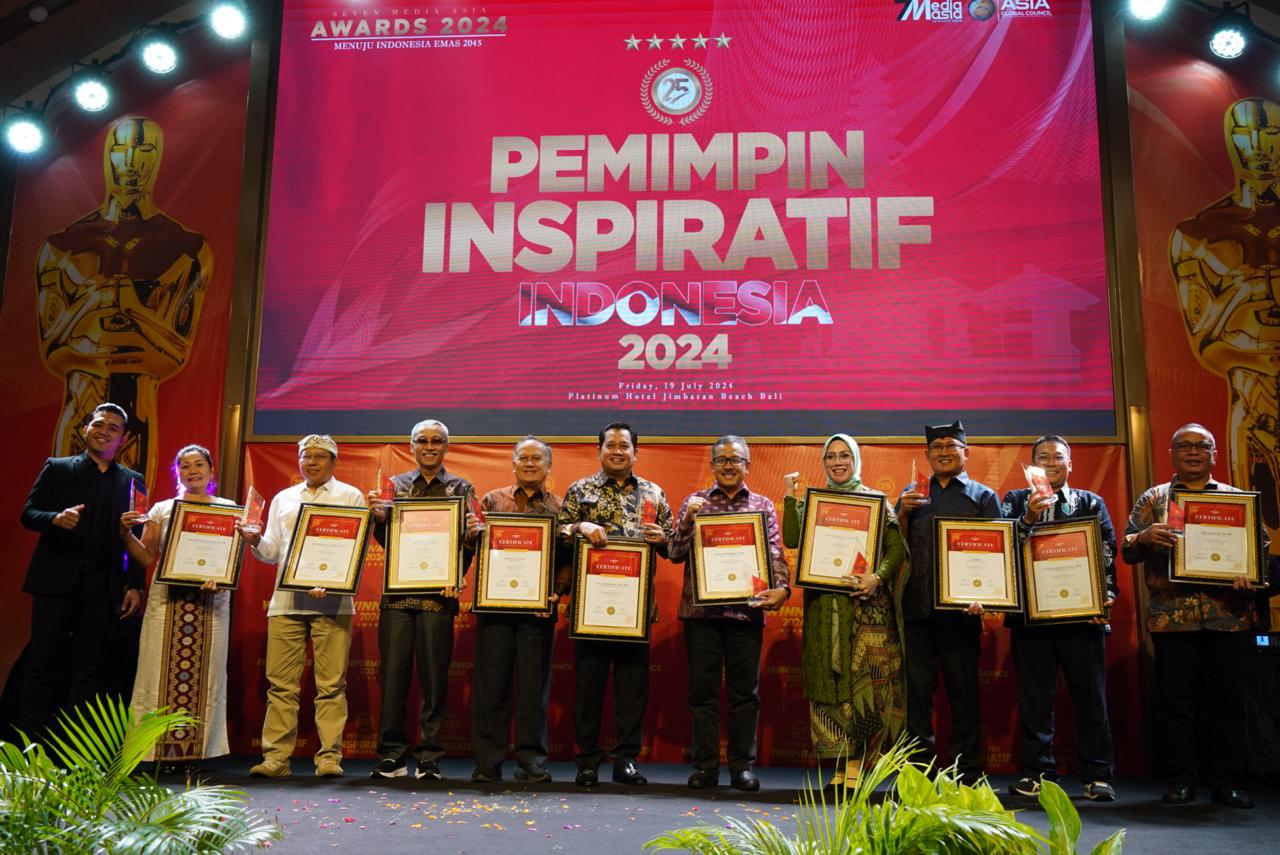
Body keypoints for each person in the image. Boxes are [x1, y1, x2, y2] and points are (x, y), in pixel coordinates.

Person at [35, 116, 213, 483]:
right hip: (80, 401)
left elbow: (177, 350)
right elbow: (52, 346)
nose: (131, 161)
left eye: (144, 149)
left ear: (157, 156)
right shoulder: (64, 244)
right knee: (65, 504)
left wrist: (129, 307)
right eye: (120, 149)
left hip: (138, 406)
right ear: (108, 156)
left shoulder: (186, 247)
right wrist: (96, 301)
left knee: (128, 508)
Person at [1122, 423, 1270, 809]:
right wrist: (1144, 537)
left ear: (1214, 454)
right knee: (1176, 704)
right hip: (1173, 618)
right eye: (1184, 445)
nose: (1192, 451)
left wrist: (1251, 574)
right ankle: (1180, 780)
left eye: (1201, 446)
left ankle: (1228, 782)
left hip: (1229, 616)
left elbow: (1260, 548)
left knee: (1228, 704)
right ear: (1171, 453)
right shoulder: (1155, 498)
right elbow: (1126, 548)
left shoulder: (1237, 499)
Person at [1170, 98, 1279, 550]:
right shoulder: (1199, 232)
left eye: (1271, 133)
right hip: (1251, 398)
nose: (1259, 146)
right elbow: (1205, 342)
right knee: (1255, 529)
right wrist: (1243, 291)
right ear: (1232, 141)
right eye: (1245, 133)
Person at [781, 433, 908, 789]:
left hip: (864, 610)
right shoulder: (814, 502)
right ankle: (841, 766)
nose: (837, 462)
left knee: (861, 687)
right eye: (831, 457)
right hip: (824, 608)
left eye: (844, 456)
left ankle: (857, 766)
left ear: (855, 460)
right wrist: (790, 497)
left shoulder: (875, 500)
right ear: (824, 462)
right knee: (830, 684)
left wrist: (877, 578)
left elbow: (897, 549)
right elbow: (791, 538)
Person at [668, 436, 791, 792]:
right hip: (701, 615)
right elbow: (674, 553)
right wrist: (688, 520)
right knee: (702, 694)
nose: (728, 465)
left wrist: (783, 588)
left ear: (747, 465)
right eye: (721, 460)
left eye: (735, 459)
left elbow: (774, 553)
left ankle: (741, 768)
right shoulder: (695, 502)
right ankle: (706, 767)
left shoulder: (762, 505)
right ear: (712, 466)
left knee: (744, 695)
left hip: (745, 612)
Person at [239, 435, 365, 779]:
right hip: (286, 603)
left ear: (334, 462)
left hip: (333, 601)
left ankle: (329, 758)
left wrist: (333, 580)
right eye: (306, 456)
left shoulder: (350, 496)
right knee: (281, 686)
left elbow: (353, 547)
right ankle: (276, 759)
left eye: (320, 457)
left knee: (331, 686)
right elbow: (271, 552)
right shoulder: (284, 498)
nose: (311, 462)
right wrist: (254, 540)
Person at [556, 422, 674, 788]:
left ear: (636, 453)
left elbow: (673, 546)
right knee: (588, 689)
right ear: (599, 451)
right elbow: (558, 531)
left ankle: (626, 760)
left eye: (625, 446)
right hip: (590, 606)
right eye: (611, 445)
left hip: (634, 610)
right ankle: (587, 762)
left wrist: (662, 538)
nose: (617, 451)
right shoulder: (580, 489)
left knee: (632, 690)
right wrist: (580, 527)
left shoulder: (654, 493)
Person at [1000, 436, 1118, 802]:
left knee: (1091, 698)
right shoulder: (1015, 500)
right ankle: (1038, 774)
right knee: (1035, 701)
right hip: (1030, 618)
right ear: (1031, 464)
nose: (1051, 462)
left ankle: (1097, 774)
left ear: (1070, 463)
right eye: (1043, 457)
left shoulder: (1090, 502)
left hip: (1082, 616)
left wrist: (1105, 596)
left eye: (1058, 456)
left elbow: (1107, 550)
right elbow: (1001, 546)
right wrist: (1029, 517)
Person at [18, 402, 145, 740]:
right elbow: (29, 513)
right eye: (98, 424)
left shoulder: (134, 481)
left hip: (103, 586)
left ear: (123, 438)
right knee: (42, 664)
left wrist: (135, 584)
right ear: (86, 429)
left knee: (89, 669)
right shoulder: (58, 468)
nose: (104, 431)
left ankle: (78, 747)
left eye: (113, 428)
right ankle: (31, 746)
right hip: (55, 581)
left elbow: (137, 535)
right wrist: (55, 518)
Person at [368, 419, 475, 780]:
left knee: (434, 680)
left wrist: (457, 575)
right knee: (393, 679)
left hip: (439, 599)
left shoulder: (462, 487)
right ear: (411, 446)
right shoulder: (394, 486)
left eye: (437, 440)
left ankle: (429, 755)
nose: (429, 446)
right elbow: (384, 539)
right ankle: (392, 756)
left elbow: (468, 541)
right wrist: (378, 518)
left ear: (446, 446)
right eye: (422, 440)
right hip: (398, 597)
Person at [895, 420, 999, 784]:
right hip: (916, 610)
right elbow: (893, 546)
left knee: (964, 695)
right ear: (926, 455)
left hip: (961, 613)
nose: (943, 452)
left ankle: (966, 771)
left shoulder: (983, 496)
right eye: (936, 447)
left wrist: (986, 595)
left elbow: (996, 553)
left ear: (966, 452)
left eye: (950, 446)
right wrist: (901, 513)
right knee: (916, 698)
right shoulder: (912, 494)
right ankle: (917, 773)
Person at [120, 444, 234, 764]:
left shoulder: (227, 509)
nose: (193, 471)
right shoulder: (162, 508)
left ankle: (196, 754)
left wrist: (220, 577)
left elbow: (230, 558)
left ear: (211, 471)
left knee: (206, 678)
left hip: (211, 602)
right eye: (185, 466)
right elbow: (146, 557)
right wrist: (126, 534)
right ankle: (154, 752)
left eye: (199, 464)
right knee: (157, 674)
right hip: (167, 602)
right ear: (177, 473)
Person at [467, 437, 563, 784]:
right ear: (513, 464)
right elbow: (468, 546)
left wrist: (558, 591)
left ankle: (530, 760)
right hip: (495, 610)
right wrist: (470, 534)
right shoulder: (492, 500)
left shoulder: (560, 507)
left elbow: (567, 558)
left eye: (537, 458)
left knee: (533, 691)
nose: (530, 463)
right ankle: (487, 762)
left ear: (549, 466)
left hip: (538, 613)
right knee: (490, 689)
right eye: (523, 457)